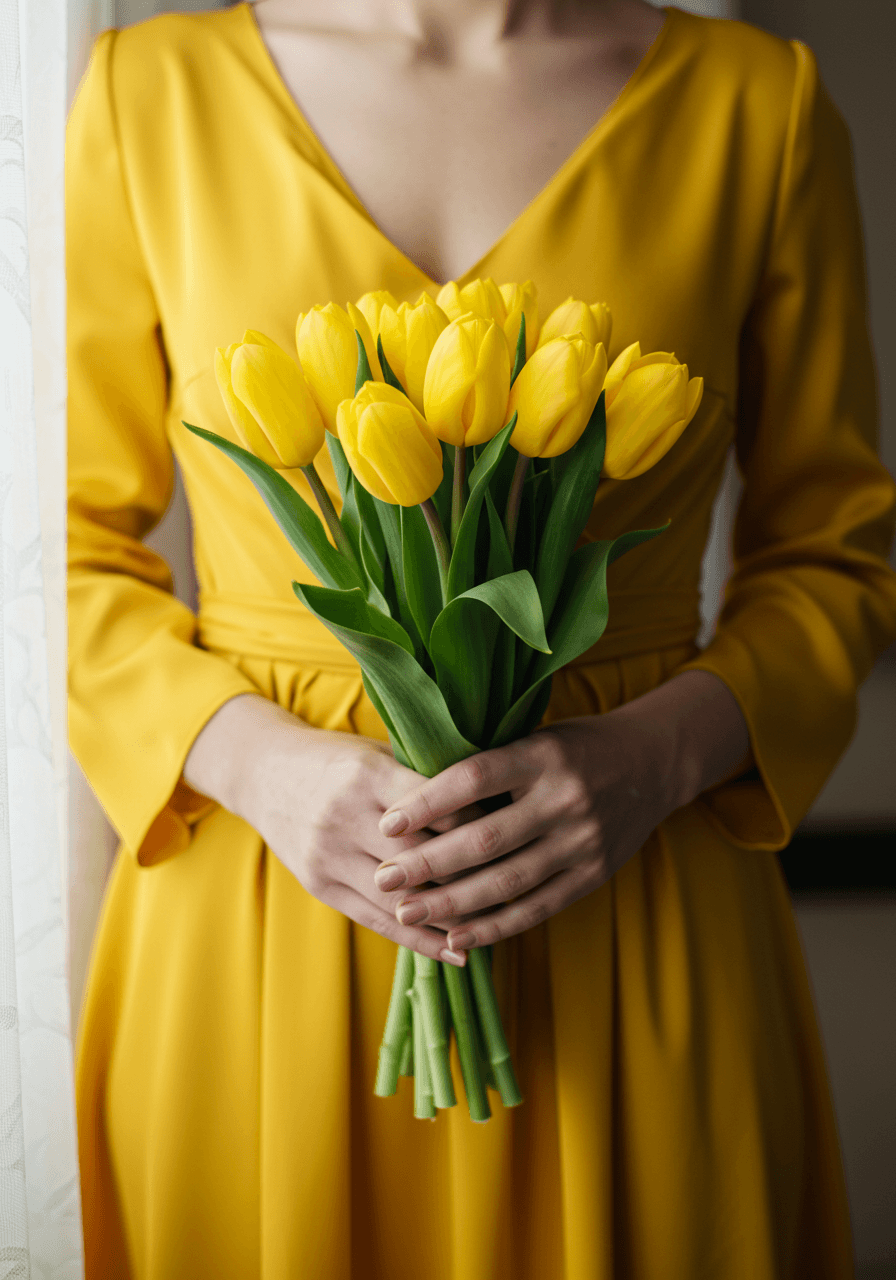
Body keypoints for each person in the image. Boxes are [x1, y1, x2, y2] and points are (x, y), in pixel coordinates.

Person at [66, 0, 896, 1275]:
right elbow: (54, 554)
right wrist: (257, 765)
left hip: (634, 887)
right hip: (260, 895)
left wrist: (652, 759)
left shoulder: (756, 108)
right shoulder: (147, 94)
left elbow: (835, 556)